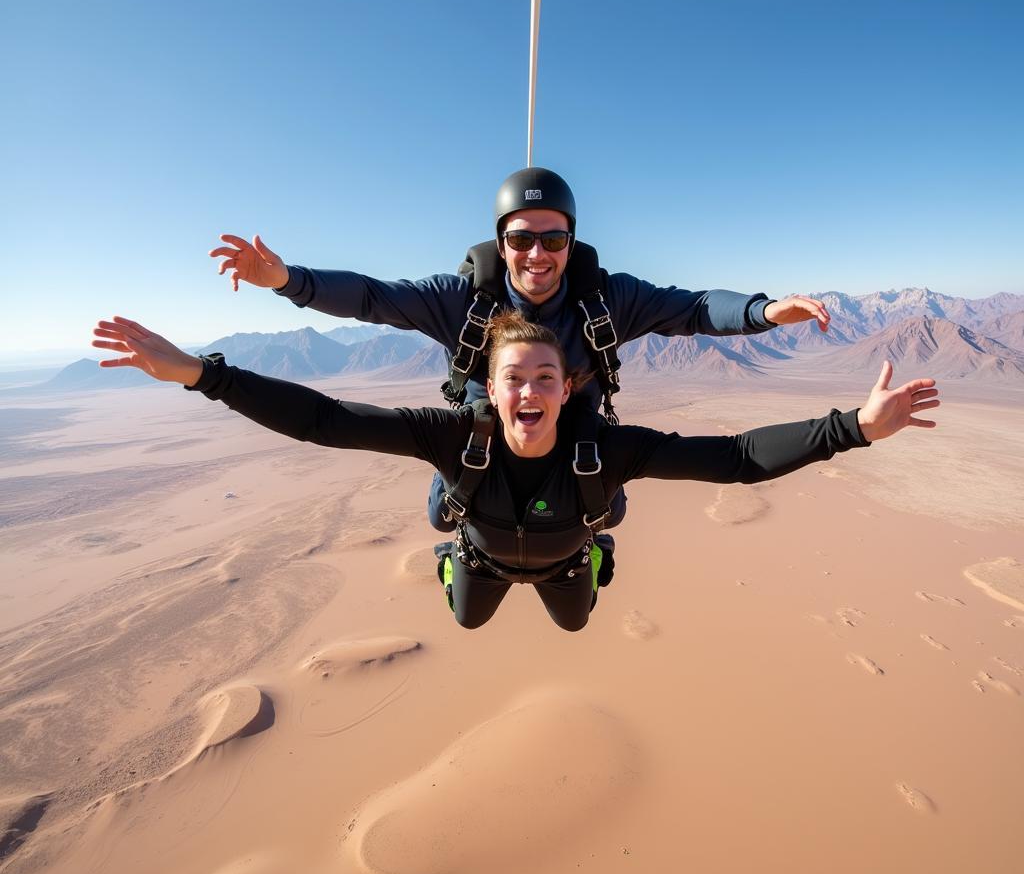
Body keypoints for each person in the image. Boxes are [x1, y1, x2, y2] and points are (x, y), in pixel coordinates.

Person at [92, 313, 940, 633]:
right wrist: (204, 373)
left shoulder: (602, 448)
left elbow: (737, 460)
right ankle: (452, 546)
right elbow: (324, 421)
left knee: (574, 623)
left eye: (545, 378)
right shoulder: (454, 433)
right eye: (512, 380)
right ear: (488, 391)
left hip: (569, 555)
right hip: (488, 557)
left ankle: (594, 554)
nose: (528, 391)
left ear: (566, 388)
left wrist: (853, 430)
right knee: (466, 619)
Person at [208, 167, 834, 532]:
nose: (538, 254)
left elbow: (694, 308)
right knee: (447, 512)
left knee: (603, 508)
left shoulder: (607, 299)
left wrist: (762, 312)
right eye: (521, 239)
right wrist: (291, 282)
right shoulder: (462, 301)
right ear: (501, 244)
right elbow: (374, 298)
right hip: (484, 416)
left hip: (576, 413)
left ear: (571, 242)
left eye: (553, 238)